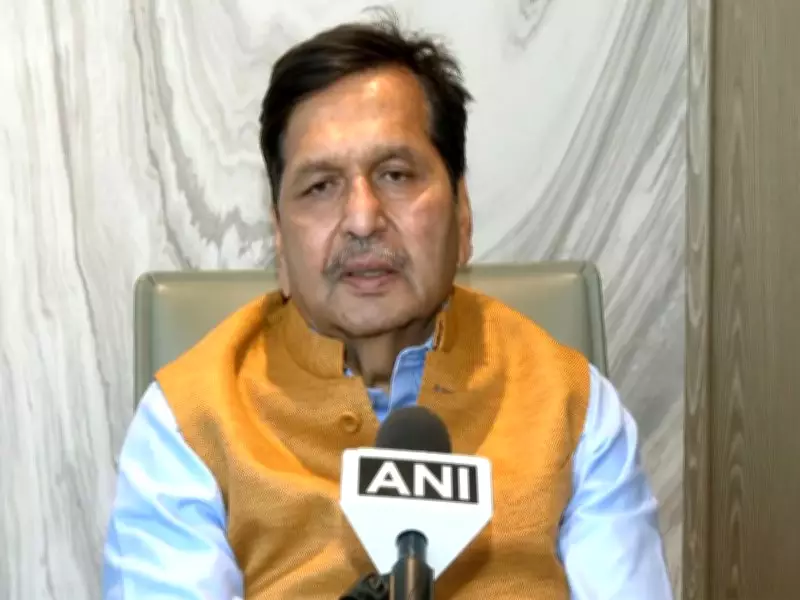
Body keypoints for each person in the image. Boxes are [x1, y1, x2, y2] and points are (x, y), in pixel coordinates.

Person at [102, 14, 673, 600]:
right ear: (279, 237)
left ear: (463, 214)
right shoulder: (186, 421)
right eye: (320, 186)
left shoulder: (576, 407)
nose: (361, 218)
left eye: (396, 175)